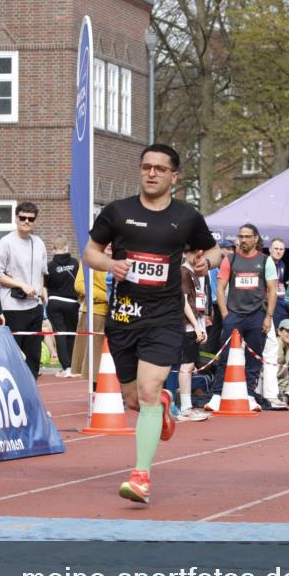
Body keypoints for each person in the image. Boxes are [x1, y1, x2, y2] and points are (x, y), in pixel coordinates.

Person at [83, 143, 221, 505]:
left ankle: (140, 476)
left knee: (145, 392)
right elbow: (90, 251)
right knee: (133, 399)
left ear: (174, 176)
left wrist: (208, 261)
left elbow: (215, 250)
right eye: (146, 167)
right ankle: (161, 405)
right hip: (124, 316)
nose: (152, 173)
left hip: (163, 317)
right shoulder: (117, 212)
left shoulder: (186, 217)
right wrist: (109, 265)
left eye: (161, 168)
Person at [207, 222, 277, 409]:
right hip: (234, 315)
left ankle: (249, 395)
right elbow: (220, 288)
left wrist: (268, 316)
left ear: (255, 238)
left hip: (257, 315)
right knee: (225, 355)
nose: (243, 240)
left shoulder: (265, 261)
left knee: (254, 358)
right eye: (240, 236)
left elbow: (272, 290)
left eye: (247, 236)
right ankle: (217, 395)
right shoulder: (230, 260)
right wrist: (225, 314)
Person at [0, 201, 48, 380]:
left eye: (30, 219)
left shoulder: (39, 242)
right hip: (12, 307)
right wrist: (20, 284)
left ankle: (31, 395)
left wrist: (42, 292)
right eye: (23, 218)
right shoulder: (6, 242)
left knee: (34, 356)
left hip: (35, 307)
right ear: (16, 219)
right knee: (13, 356)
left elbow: (42, 273)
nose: (26, 221)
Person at [177, 249, 210, 421]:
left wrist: (202, 326)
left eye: (201, 255)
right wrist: (196, 326)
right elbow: (184, 302)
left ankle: (186, 405)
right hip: (186, 327)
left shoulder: (195, 274)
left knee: (189, 366)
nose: (199, 258)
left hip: (194, 325)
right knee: (186, 366)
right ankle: (185, 407)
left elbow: (198, 302)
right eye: (195, 254)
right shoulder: (184, 273)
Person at [71, 248, 113, 383]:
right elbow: (79, 285)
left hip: (120, 313)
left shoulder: (122, 259)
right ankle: (95, 389)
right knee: (94, 356)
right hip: (96, 312)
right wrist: (106, 296)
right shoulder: (89, 258)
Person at [45, 234, 80, 377]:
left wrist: (47, 300)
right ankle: (73, 365)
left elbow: (44, 286)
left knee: (60, 333)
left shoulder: (50, 266)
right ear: (66, 246)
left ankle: (65, 367)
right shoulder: (75, 263)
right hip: (72, 302)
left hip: (54, 301)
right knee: (71, 334)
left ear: (52, 248)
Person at [270, 238, 288, 328]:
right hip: (269, 304)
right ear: (270, 249)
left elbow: (280, 282)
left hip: (281, 303)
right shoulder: (265, 263)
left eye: (281, 249)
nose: (278, 251)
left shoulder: (282, 264)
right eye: (276, 249)